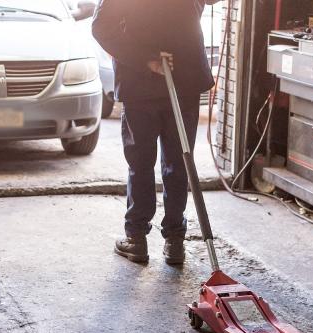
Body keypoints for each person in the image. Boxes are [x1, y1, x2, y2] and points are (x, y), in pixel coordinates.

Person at [92, 0, 219, 265]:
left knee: (153, 161)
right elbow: (102, 28)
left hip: (164, 83)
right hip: (155, 82)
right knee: (172, 160)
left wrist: (144, 59)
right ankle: (170, 240)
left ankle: (142, 238)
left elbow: (101, 27)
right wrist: (146, 59)